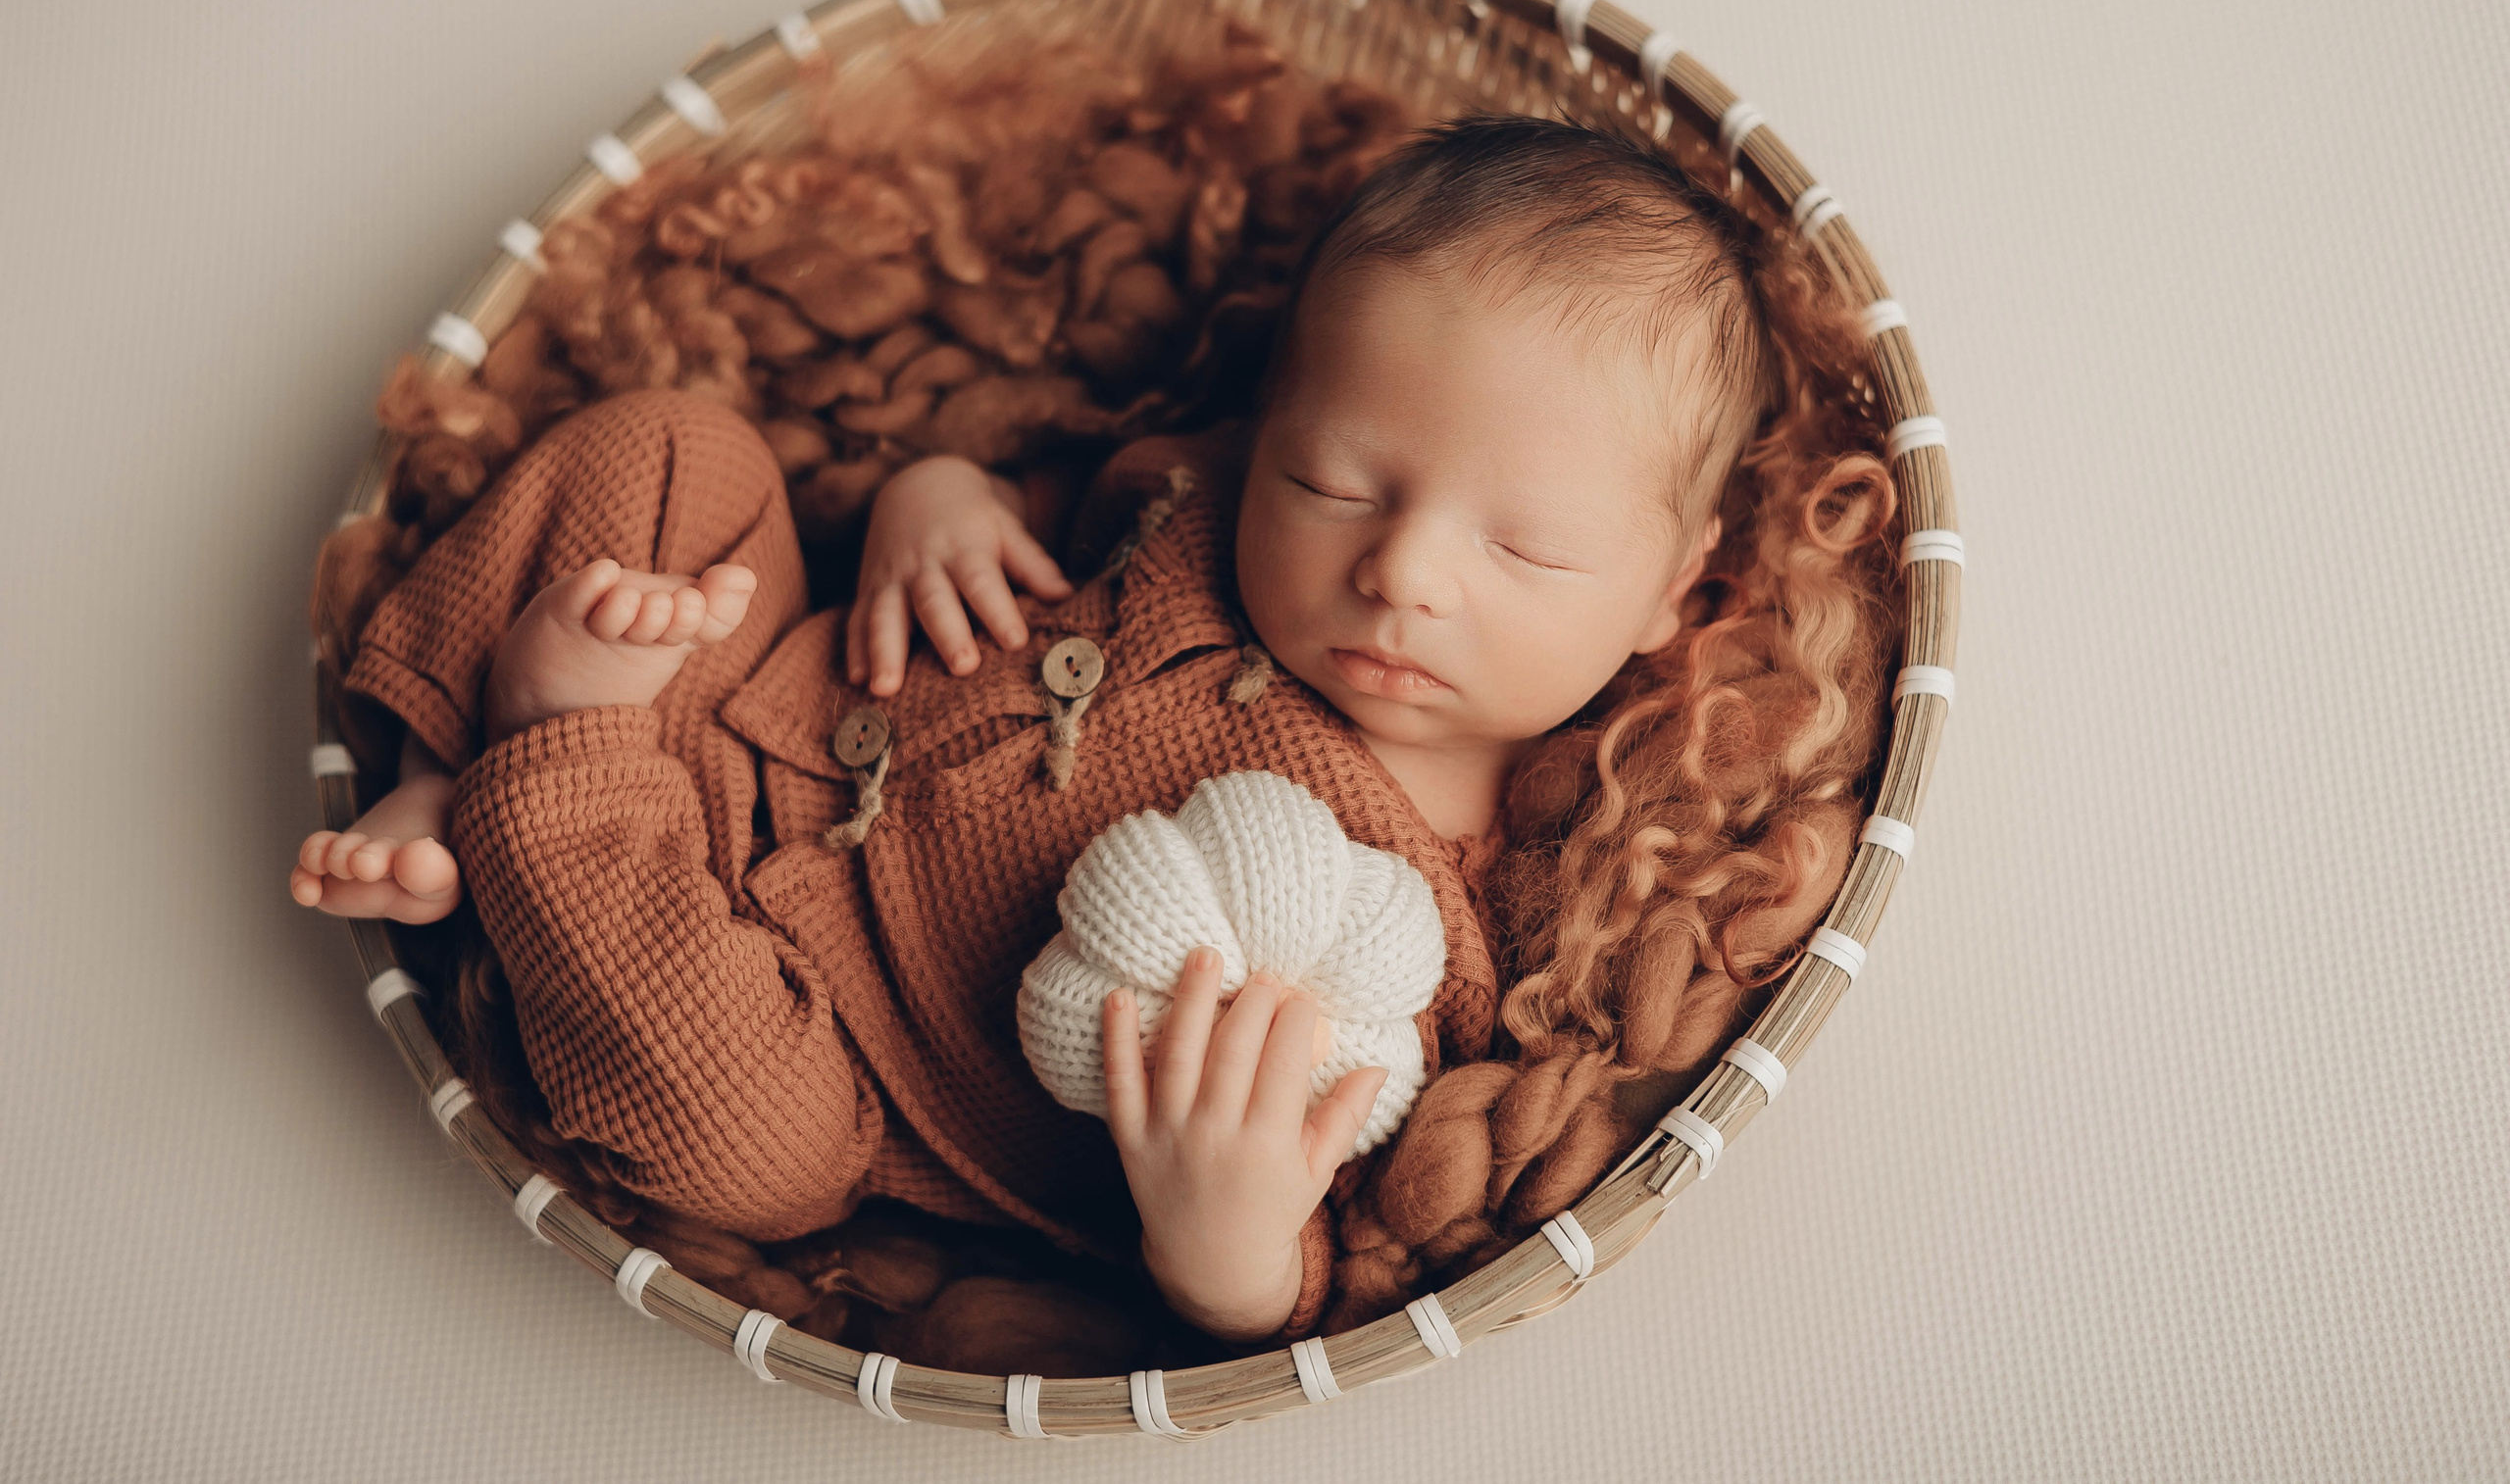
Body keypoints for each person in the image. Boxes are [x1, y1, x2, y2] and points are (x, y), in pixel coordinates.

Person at [289, 115, 1785, 1343]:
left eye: (1523, 551)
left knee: (748, 1155)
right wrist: (928, 503)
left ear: (1675, 592)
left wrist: (1226, 1246)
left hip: (833, 1053)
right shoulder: (1195, 502)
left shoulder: (1466, 937)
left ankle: (547, 764)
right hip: (753, 693)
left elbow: (1339, 1263)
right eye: (1334, 481)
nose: (1398, 569)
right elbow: (1038, 511)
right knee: (680, 448)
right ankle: (442, 768)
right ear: (1269, 431)